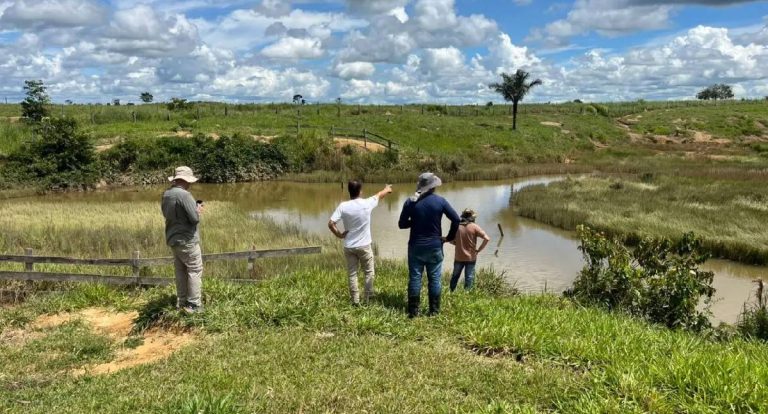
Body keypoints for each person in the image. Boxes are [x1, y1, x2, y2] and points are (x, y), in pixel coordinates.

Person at [398, 172, 460, 318]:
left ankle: (413, 312)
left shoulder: (410, 202)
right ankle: (434, 312)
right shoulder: (440, 201)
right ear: (433, 187)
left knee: (415, 278)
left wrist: (414, 222)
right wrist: (449, 238)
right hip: (434, 246)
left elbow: (401, 224)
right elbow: (456, 219)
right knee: (435, 279)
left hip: (415, 247)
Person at [328, 180, 393, 305]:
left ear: (349, 191)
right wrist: (387, 189)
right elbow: (380, 194)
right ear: (360, 191)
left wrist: (339, 234)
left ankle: (355, 301)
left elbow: (331, 223)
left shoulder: (343, 206)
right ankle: (368, 299)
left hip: (349, 246)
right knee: (368, 272)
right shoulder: (366, 203)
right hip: (364, 246)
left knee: (352, 274)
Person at [161, 166, 204, 313]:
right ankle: (193, 305)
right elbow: (194, 219)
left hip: (173, 238)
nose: (191, 184)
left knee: (180, 270)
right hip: (187, 239)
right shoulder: (184, 195)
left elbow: (167, 214)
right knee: (194, 269)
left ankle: (181, 301)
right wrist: (198, 210)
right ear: (186, 180)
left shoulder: (166, 194)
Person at [449, 208, 491, 292]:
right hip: (471, 258)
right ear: (472, 217)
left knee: (455, 276)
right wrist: (478, 250)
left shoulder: (456, 225)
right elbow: (487, 238)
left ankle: (451, 292)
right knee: (469, 277)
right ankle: (466, 295)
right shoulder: (475, 227)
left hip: (458, 257)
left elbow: (450, 240)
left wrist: (457, 244)